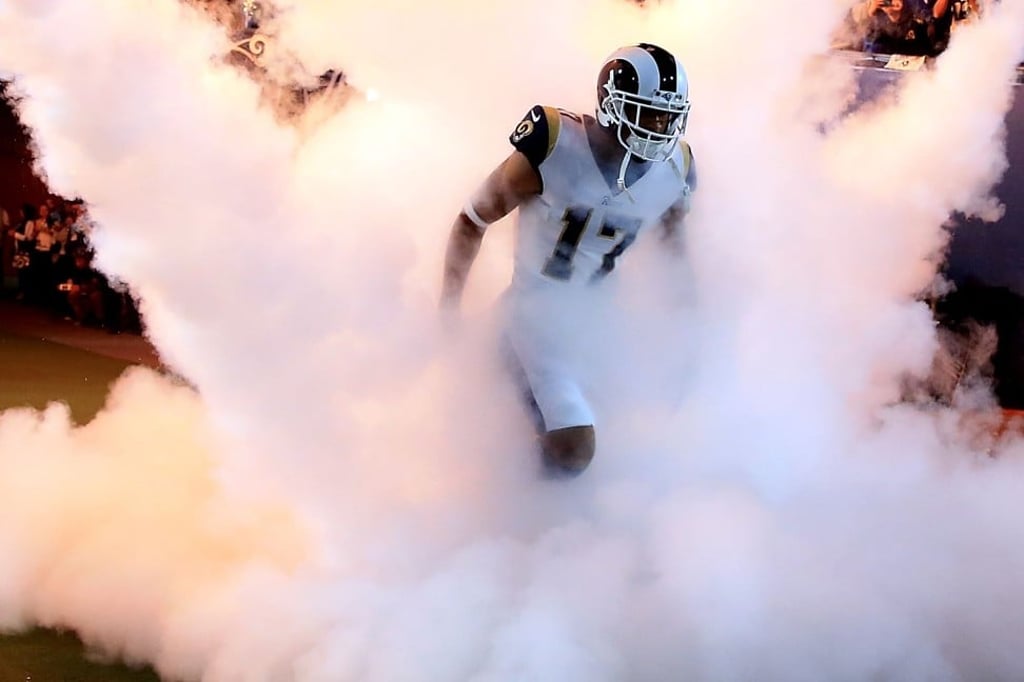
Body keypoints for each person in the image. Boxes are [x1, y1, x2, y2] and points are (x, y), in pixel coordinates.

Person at [440, 43, 697, 476]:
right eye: (649, 112)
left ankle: (563, 516)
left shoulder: (678, 168)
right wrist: (448, 307)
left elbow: (676, 260)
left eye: (669, 116)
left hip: (596, 321)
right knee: (576, 447)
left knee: (641, 440)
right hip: (532, 318)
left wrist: (687, 337)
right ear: (613, 103)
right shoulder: (556, 145)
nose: (660, 127)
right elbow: (472, 219)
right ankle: (515, 511)